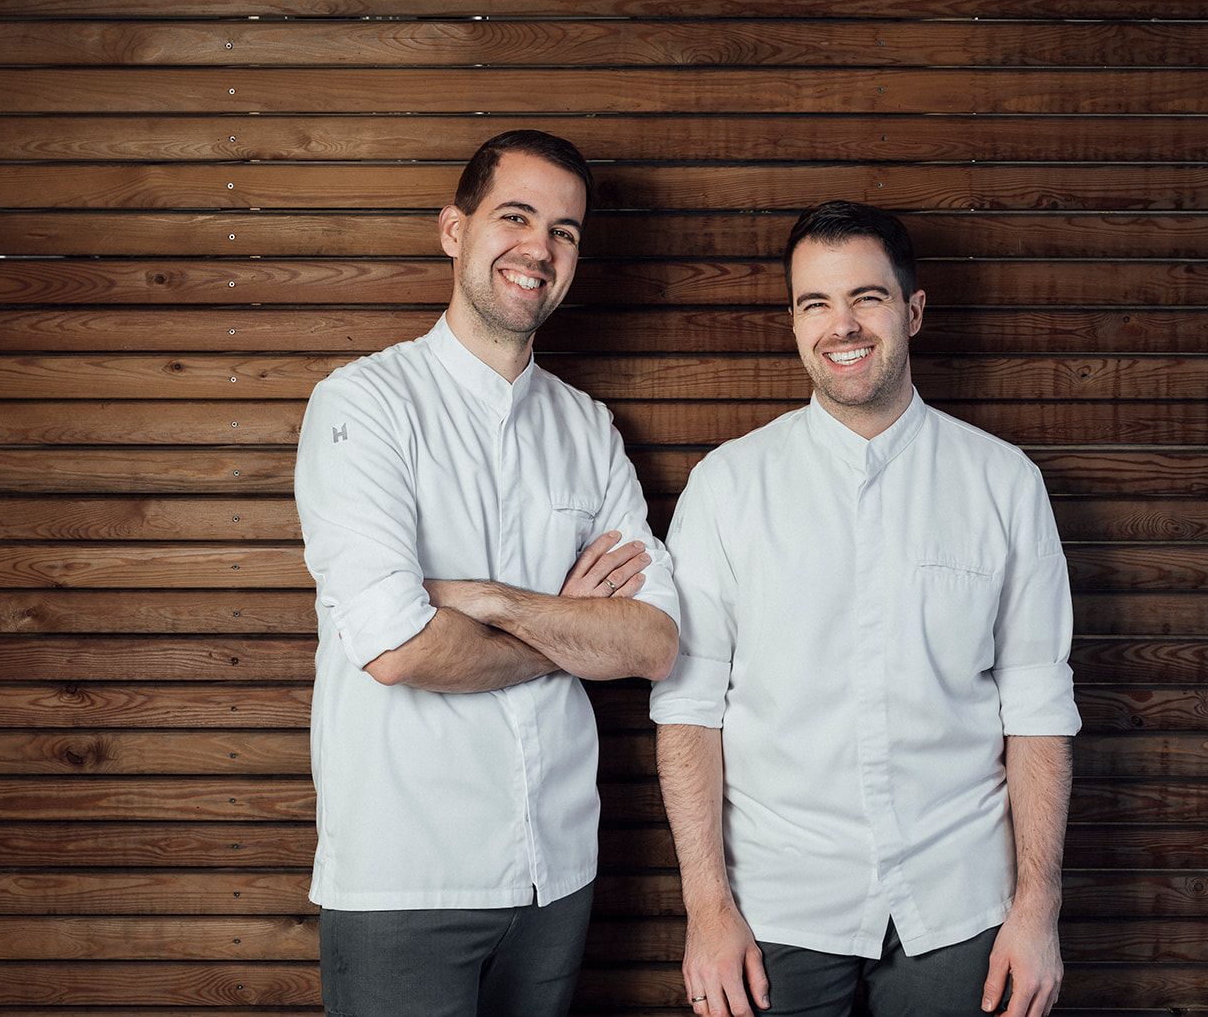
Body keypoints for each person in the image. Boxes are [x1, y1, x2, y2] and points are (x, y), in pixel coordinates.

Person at [651, 201, 1079, 1017]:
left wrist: (1037, 910)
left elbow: (1038, 708)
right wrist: (705, 909)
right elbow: (689, 711)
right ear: (793, 322)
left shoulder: (1003, 483)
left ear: (913, 310)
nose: (840, 325)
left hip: (960, 903)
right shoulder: (728, 486)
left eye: (867, 298)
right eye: (815, 303)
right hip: (775, 903)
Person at [295, 129, 680, 1017]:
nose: (539, 249)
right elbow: (396, 646)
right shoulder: (364, 405)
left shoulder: (587, 427)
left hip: (558, 874)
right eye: (515, 216)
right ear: (452, 231)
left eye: (566, 231)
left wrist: (497, 601)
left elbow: (655, 639)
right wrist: (572, 633)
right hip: (405, 877)